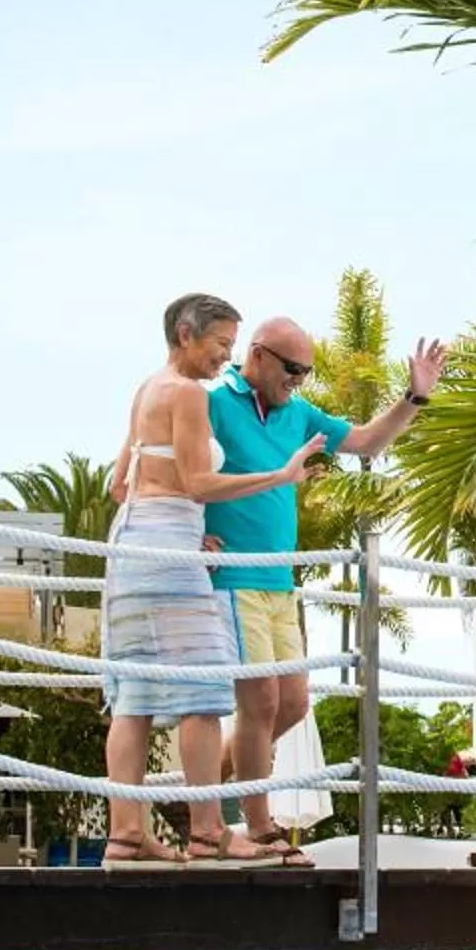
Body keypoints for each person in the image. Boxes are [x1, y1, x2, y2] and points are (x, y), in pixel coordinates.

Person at [204, 319, 444, 863]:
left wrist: (414, 398)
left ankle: (197, 786)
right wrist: (188, 528)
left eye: (307, 373)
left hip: (281, 582)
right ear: (259, 357)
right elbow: (174, 466)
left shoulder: (298, 414)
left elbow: (365, 441)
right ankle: (259, 828)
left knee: (291, 703)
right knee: (260, 703)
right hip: (233, 578)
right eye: (293, 370)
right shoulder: (214, 403)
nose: (300, 382)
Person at [101, 294, 327, 866]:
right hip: (169, 551)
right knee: (204, 698)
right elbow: (200, 483)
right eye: (221, 345)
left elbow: (119, 484)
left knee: (133, 701)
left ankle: (126, 837)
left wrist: (175, 528)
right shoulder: (188, 395)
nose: (225, 358)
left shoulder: (146, 389)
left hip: (133, 542)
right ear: (185, 333)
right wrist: (279, 475)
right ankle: (208, 833)